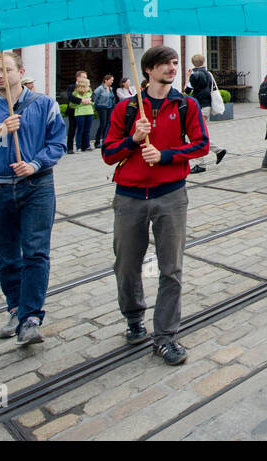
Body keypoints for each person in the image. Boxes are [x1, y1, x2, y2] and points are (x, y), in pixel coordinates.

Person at [101, 44, 209, 366]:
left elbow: (201, 145)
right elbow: (108, 154)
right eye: (165, 63)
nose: (172, 68)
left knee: (171, 268)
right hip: (130, 196)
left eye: (175, 63)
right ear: (148, 69)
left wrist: (165, 156)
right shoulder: (127, 109)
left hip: (171, 195)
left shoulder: (186, 104)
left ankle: (165, 337)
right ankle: (134, 317)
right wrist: (133, 140)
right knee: (127, 264)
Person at [0, 51, 67, 345]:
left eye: (4, 70)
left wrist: (35, 163)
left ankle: (31, 318)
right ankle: (15, 308)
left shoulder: (44, 105)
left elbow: (57, 144)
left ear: (20, 71)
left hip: (36, 187)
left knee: (35, 252)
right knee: (7, 257)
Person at [185, 55, 226, 173]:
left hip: (198, 108)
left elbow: (186, 91)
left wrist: (188, 77)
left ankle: (201, 164)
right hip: (206, 106)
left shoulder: (194, 75)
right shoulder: (208, 74)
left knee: (194, 135)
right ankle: (218, 151)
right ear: (203, 61)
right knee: (199, 134)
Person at [70, 74, 95, 153]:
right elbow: (72, 104)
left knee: (87, 130)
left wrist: (89, 102)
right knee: (80, 130)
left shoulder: (89, 92)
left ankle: (87, 146)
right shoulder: (75, 93)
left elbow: (93, 101)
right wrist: (82, 102)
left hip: (89, 111)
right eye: (88, 84)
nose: (89, 85)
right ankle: (78, 146)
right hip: (80, 113)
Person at [92, 74, 116, 149]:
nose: (112, 81)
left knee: (108, 124)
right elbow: (95, 97)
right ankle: (97, 141)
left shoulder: (111, 88)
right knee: (103, 124)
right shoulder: (100, 89)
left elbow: (112, 98)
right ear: (106, 80)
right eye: (111, 80)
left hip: (109, 107)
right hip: (102, 107)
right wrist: (95, 107)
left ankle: (105, 140)